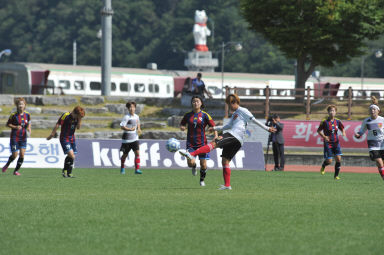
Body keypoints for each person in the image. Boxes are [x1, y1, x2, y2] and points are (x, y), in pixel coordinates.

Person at [179, 94, 276, 190]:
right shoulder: (235, 114)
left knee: (214, 143)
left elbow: (254, 120)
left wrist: (267, 128)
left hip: (234, 135)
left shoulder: (243, 110)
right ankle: (227, 185)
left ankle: (192, 154)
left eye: (229, 104)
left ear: (234, 102)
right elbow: (228, 126)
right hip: (238, 140)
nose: (229, 107)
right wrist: (215, 128)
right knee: (225, 161)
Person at [180, 95, 218, 186]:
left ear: (201, 103)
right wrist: (182, 127)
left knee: (204, 165)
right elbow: (182, 124)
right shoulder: (187, 115)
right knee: (190, 163)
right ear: (192, 103)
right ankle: (194, 166)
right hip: (191, 144)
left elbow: (213, 126)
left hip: (202, 144)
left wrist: (216, 135)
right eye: (194, 101)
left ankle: (201, 180)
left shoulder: (205, 115)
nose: (195, 103)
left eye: (197, 101)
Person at [47, 106, 85, 178]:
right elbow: (58, 124)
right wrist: (52, 134)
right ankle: (67, 171)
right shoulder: (66, 115)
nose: (79, 118)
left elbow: (78, 128)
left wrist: (79, 119)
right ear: (75, 113)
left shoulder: (77, 118)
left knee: (71, 156)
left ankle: (67, 173)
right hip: (64, 138)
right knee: (72, 155)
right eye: (79, 116)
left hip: (72, 138)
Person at [2, 97, 31, 176]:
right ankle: (7, 164)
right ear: (17, 106)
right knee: (15, 155)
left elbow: (29, 122)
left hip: (23, 138)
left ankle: (16, 171)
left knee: (22, 154)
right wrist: (15, 127)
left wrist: (28, 128)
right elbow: (7, 124)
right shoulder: (13, 115)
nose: (21, 106)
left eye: (22, 104)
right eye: (19, 104)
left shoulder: (27, 115)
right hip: (15, 138)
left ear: (25, 105)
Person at [354, 103, 384, 181]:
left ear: (378, 111)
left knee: (380, 164)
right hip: (372, 143)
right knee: (379, 161)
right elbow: (361, 131)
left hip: (382, 143)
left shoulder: (382, 120)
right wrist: (358, 134)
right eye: (371, 109)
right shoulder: (366, 121)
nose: (372, 111)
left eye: (374, 109)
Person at [317, 105, 346, 180]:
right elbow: (319, 131)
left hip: (336, 143)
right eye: (330, 111)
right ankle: (323, 165)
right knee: (329, 161)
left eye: (333, 111)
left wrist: (343, 133)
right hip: (328, 143)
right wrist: (324, 137)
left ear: (335, 112)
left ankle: (336, 176)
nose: (332, 112)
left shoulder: (338, 121)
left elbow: (342, 128)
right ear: (328, 112)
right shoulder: (324, 121)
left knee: (338, 159)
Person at [119, 101, 142, 175]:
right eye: (130, 107)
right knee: (125, 155)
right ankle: (122, 167)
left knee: (137, 153)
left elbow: (138, 122)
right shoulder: (126, 117)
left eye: (133, 107)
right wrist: (129, 129)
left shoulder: (136, 116)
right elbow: (122, 127)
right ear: (128, 109)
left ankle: (137, 169)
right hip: (127, 139)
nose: (131, 109)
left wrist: (139, 128)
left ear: (135, 108)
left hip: (135, 138)